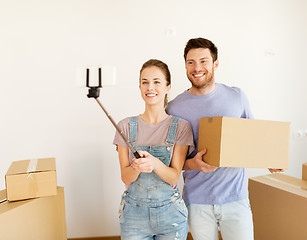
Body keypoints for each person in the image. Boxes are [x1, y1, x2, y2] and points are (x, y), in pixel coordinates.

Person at [167, 38, 283, 240]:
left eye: (203, 61)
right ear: (185, 65)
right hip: (197, 201)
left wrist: (269, 159)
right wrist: (193, 164)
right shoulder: (175, 108)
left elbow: (253, 138)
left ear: (215, 64)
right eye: (191, 62)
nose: (197, 68)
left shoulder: (236, 96)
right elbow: (170, 162)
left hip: (235, 197)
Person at [113, 59, 194, 240]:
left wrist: (154, 163)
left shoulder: (181, 127)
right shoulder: (124, 127)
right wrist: (136, 166)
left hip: (171, 215)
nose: (150, 87)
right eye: (145, 82)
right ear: (140, 87)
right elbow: (125, 177)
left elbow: (174, 176)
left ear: (167, 87)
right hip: (133, 216)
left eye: (157, 82)